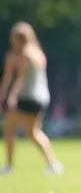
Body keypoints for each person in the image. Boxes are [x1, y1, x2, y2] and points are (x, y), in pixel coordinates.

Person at [0, 22, 64, 174]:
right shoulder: (38, 53)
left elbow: (18, 78)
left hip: (27, 97)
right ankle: (53, 164)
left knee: (9, 129)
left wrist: (9, 96)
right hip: (41, 97)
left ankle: (9, 166)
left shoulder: (21, 56)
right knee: (33, 132)